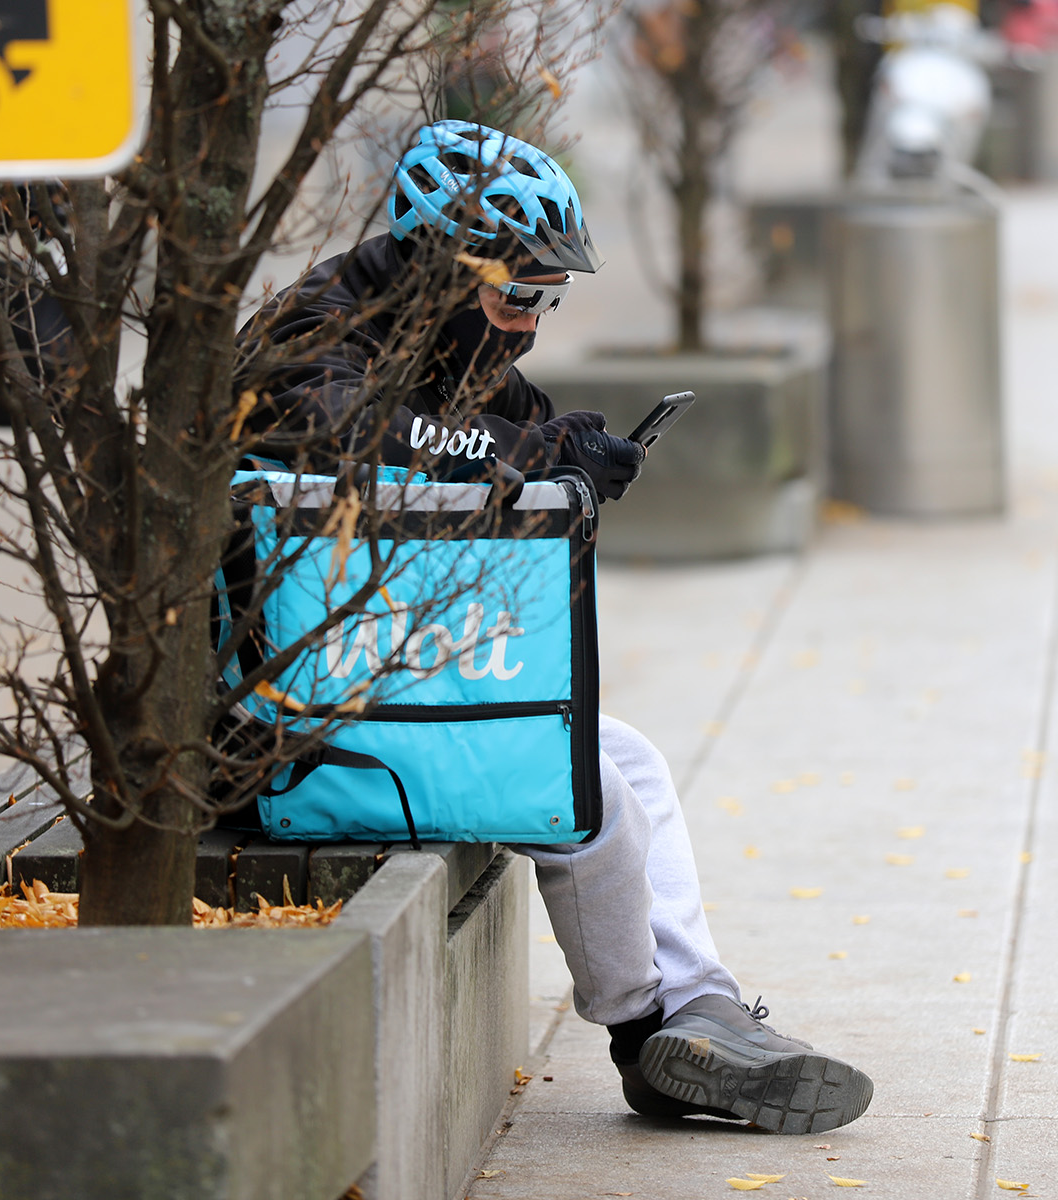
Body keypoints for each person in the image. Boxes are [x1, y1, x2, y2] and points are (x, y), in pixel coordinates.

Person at [235, 120, 874, 1132]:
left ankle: (697, 1005)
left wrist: (573, 447)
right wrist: (524, 458)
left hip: (369, 662)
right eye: (517, 297)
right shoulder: (314, 329)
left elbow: (511, 428)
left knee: (634, 761)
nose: (528, 327)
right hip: (281, 715)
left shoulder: (449, 339)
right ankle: (645, 1035)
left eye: (549, 301)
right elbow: (353, 427)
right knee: (584, 788)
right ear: (443, 272)